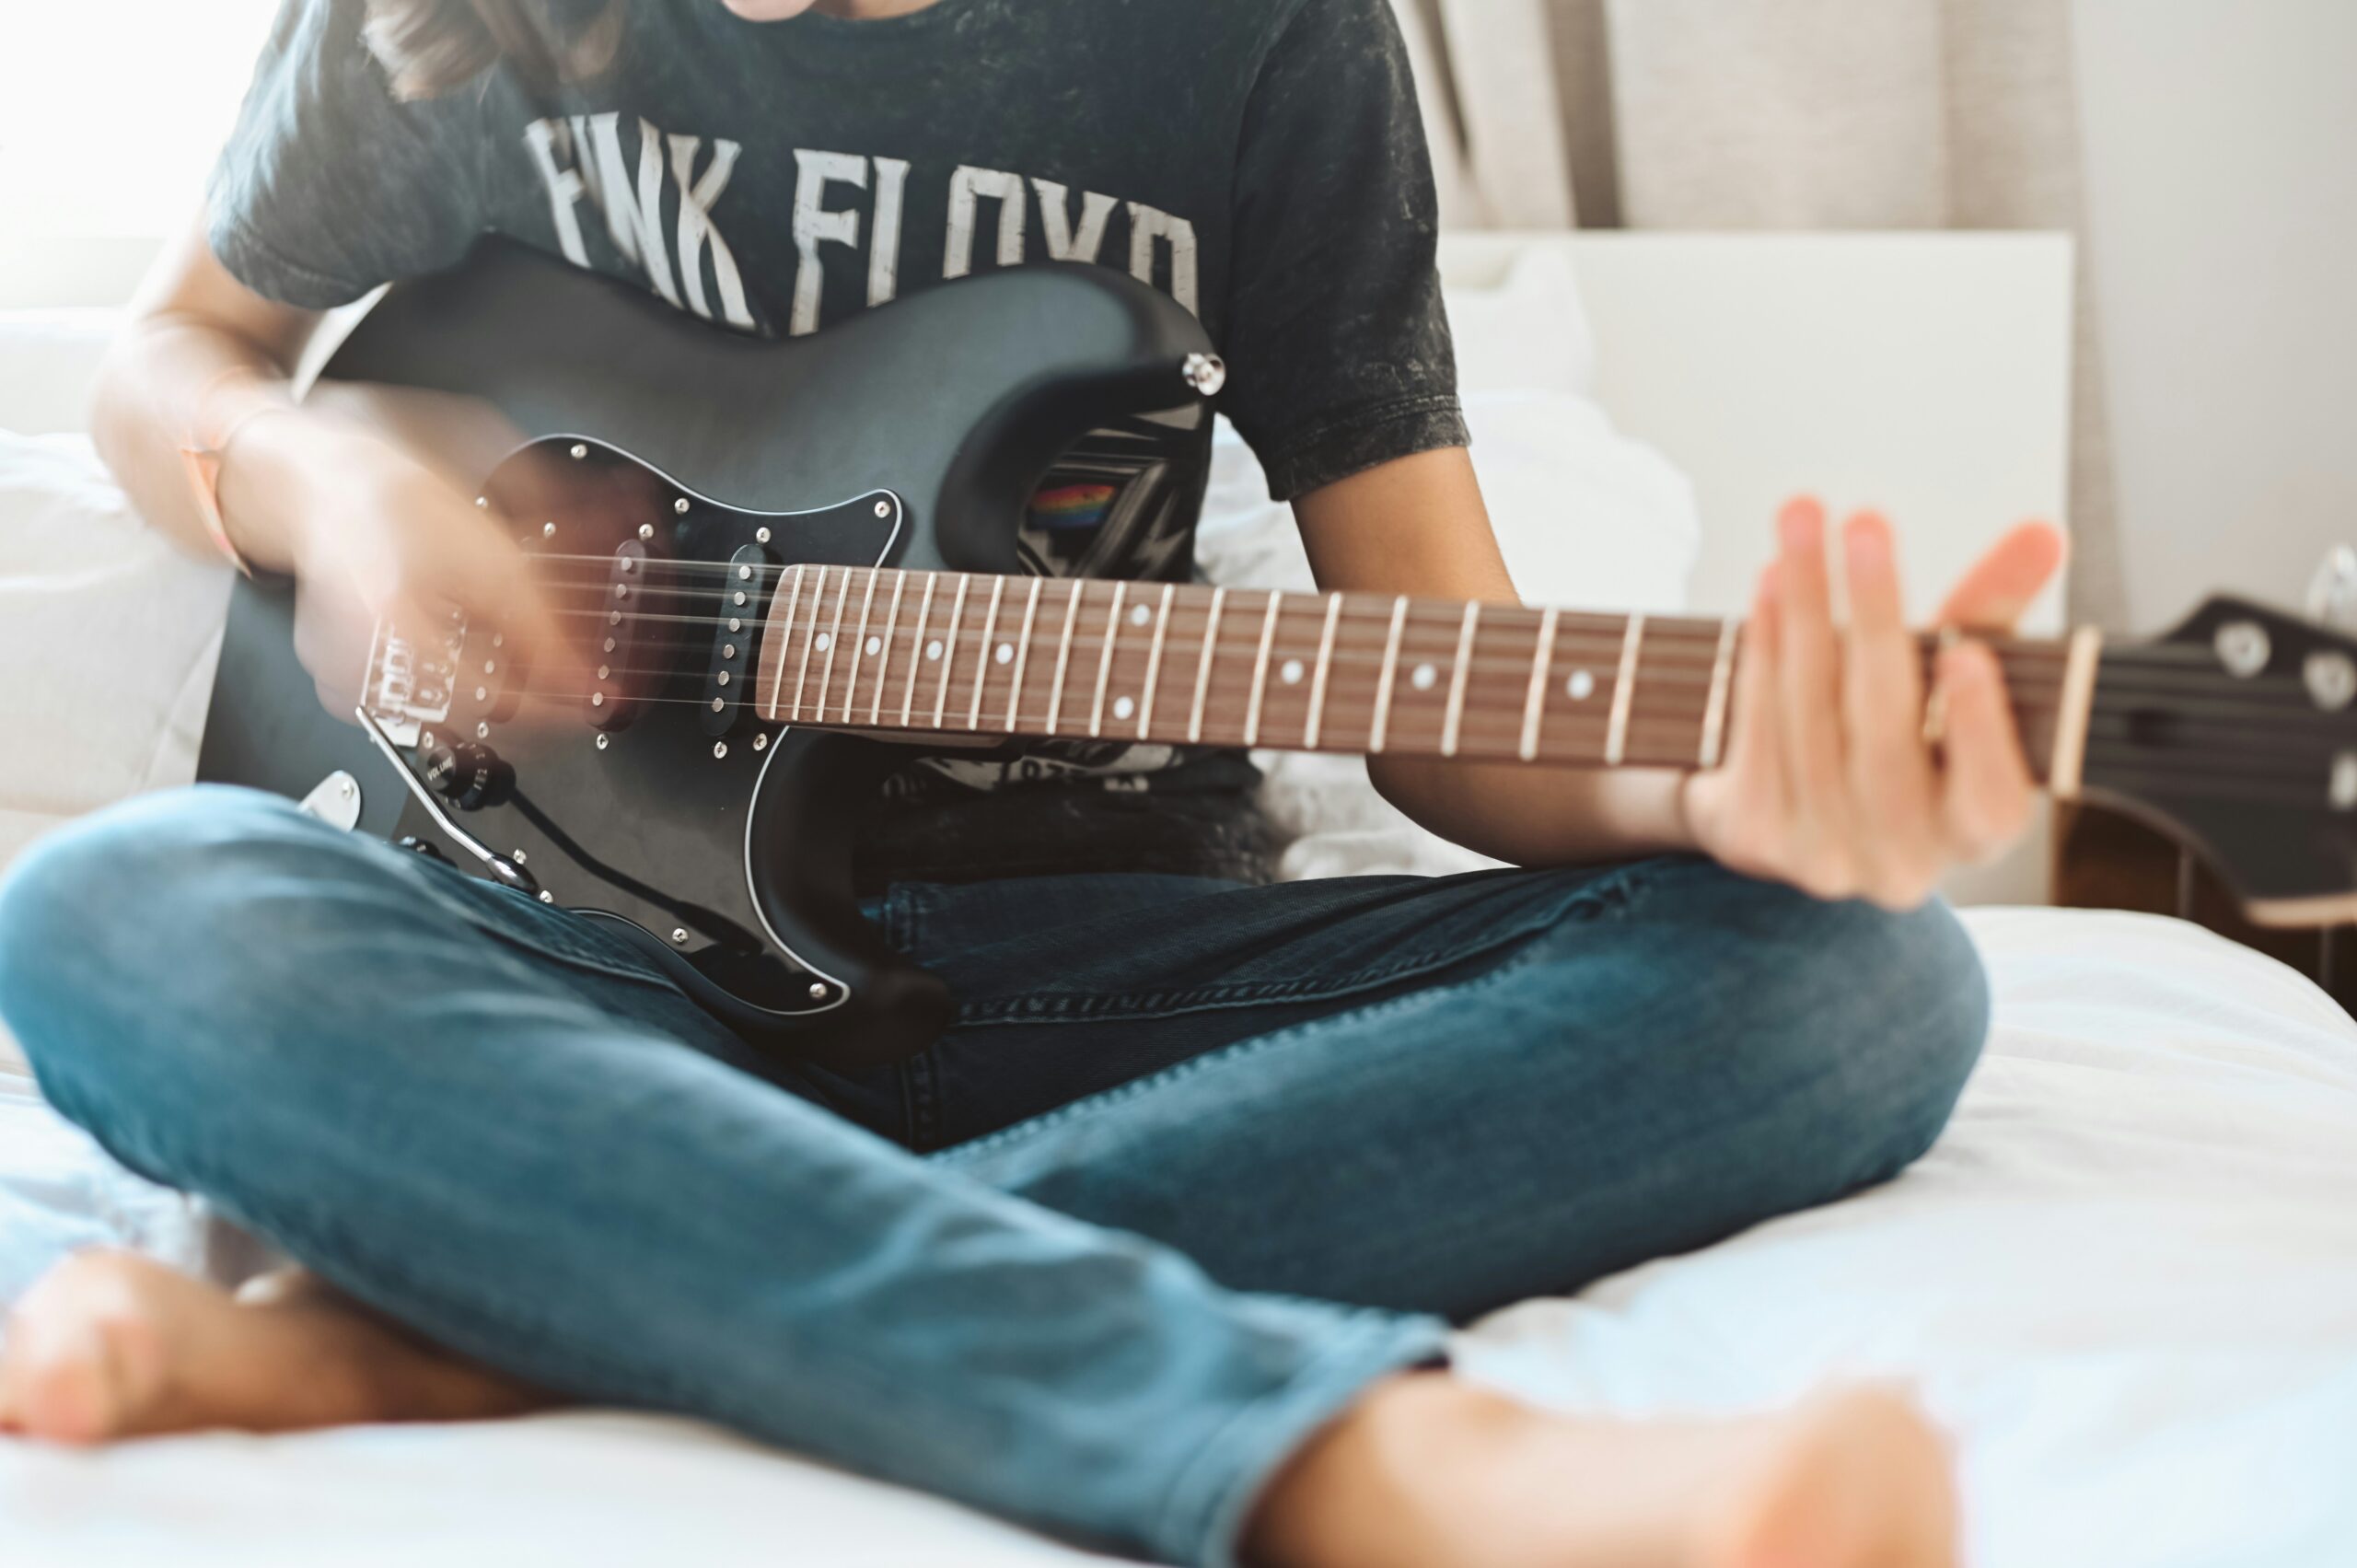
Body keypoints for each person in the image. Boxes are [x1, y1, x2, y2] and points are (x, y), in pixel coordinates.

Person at [0, 1, 2063, 1564]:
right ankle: (1348, 1464)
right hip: (585, 969)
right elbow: (170, 356)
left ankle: (493, 1329)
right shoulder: (449, 18)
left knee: (1856, 977)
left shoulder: (1255, 34)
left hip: (1100, 957)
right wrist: (327, 477)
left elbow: (1446, 694)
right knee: (122, 908)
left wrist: (1712, 790)